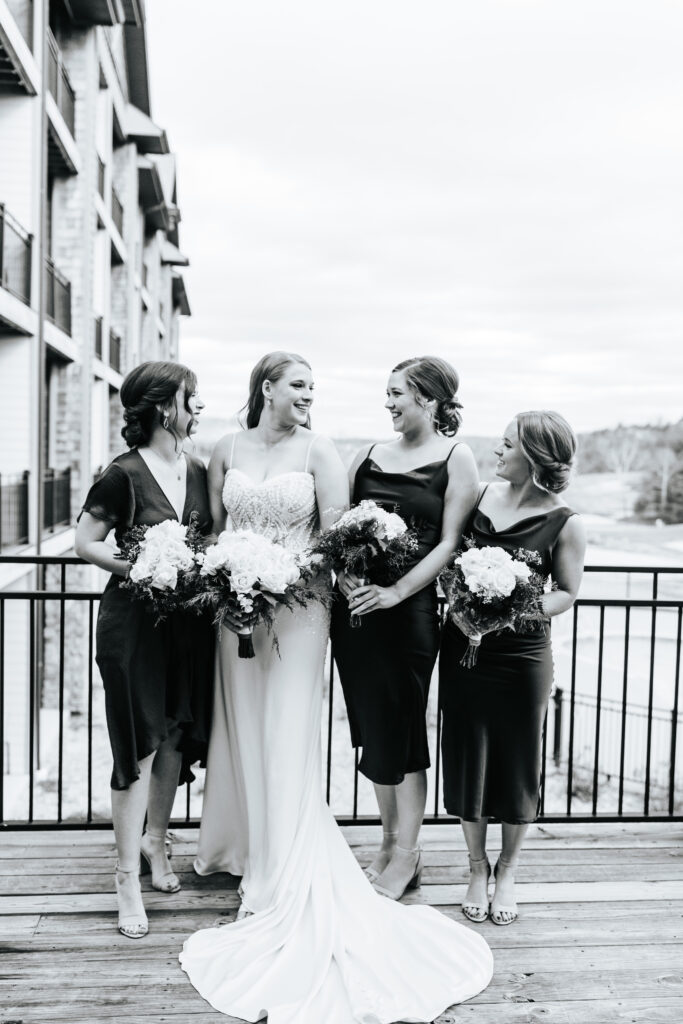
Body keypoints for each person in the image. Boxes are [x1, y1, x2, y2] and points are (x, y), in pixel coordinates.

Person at [180, 351, 493, 1024]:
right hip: (261, 606)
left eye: (396, 392)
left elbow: (346, 532)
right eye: (299, 384)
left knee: (344, 727)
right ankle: (248, 845)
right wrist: (229, 579)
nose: (311, 396)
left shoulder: (356, 450)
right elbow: (220, 528)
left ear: (432, 400)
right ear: (265, 386)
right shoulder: (268, 450)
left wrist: (378, 587)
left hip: (323, 610)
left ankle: (367, 856)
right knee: (278, 729)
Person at [74, 361, 214, 939]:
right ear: (163, 407)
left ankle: (158, 844)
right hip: (133, 628)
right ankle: (125, 876)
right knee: (138, 747)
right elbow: (85, 541)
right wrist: (142, 567)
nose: (198, 408)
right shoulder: (122, 475)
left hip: (188, 626)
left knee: (176, 735)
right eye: (192, 398)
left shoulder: (201, 470)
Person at [331, 356, 479, 900]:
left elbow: (448, 543)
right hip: (355, 617)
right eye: (387, 393)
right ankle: (389, 842)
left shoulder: (456, 459)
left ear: (430, 400)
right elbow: (340, 526)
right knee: (371, 732)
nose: (388, 403)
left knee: (404, 731)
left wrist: (395, 591)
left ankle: (409, 853)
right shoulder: (366, 455)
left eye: (397, 393)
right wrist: (345, 573)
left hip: (409, 616)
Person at [439, 410, 586, 925]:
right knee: (468, 755)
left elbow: (566, 593)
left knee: (517, 761)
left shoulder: (565, 521)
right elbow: (447, 560)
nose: (497, 452)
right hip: (464, 650)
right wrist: (462, 598)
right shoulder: (478, 497)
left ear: (535, 456)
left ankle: (509, 870)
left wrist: (509, 607)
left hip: (522, 658)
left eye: (506, 445)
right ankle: (476, 867)